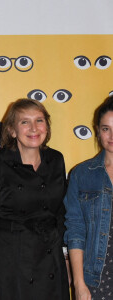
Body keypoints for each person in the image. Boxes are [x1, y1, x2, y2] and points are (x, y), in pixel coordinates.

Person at [0, 98, 70, 300]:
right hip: (11, 263)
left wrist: (67, 260)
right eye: (25, 122)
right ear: (11, 130)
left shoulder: (56, 160)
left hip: (50, 259)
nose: (34, 128)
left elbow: (61, 214)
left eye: (39, 120)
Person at [64, 96, 113, 300]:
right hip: (98, 279)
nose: (112, 135)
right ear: (97, 130)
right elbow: (75, 231)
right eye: (105, 128)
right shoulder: (81, 174)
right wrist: (79, 283)